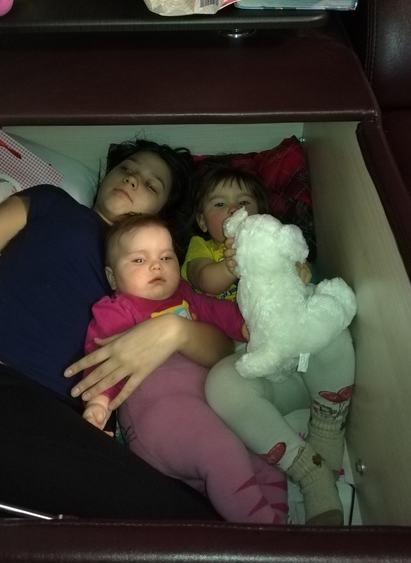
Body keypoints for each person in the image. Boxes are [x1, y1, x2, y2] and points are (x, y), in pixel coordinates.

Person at [0, 139, 235, 521]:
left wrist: (174, 331)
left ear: (162, 213)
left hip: (69, 427)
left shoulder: (161, 276)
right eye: (127, 169)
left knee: (204, 516)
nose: (132, 180)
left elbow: (223, 350)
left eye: (151, 184)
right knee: (187, 526)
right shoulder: (53, 203)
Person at [83, 213, 288, 524]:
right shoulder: (118, 309)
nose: (156, 266)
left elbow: (219, 311)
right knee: (223, 455)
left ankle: (284, 527)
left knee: (268, 469)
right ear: (113, 278)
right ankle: (267, 539)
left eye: (166, 257)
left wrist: (247, 326)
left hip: (203, 415)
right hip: (159, 417)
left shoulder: (186, 296)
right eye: (139, 260)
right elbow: (102, 358)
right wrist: (98, 403)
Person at [182, 164, 356, 525]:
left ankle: (328, 427)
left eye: (244, 202)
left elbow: (301, 272)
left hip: (302, 359)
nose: (233, 210)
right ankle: (309, 470)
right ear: (201, 220)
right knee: (220, 385)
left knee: (331, 332)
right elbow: (204, 279)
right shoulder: (203, 248)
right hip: (254, 363)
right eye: (219, 204)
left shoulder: (273, 240)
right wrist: (231, 267)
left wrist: (300, 271)